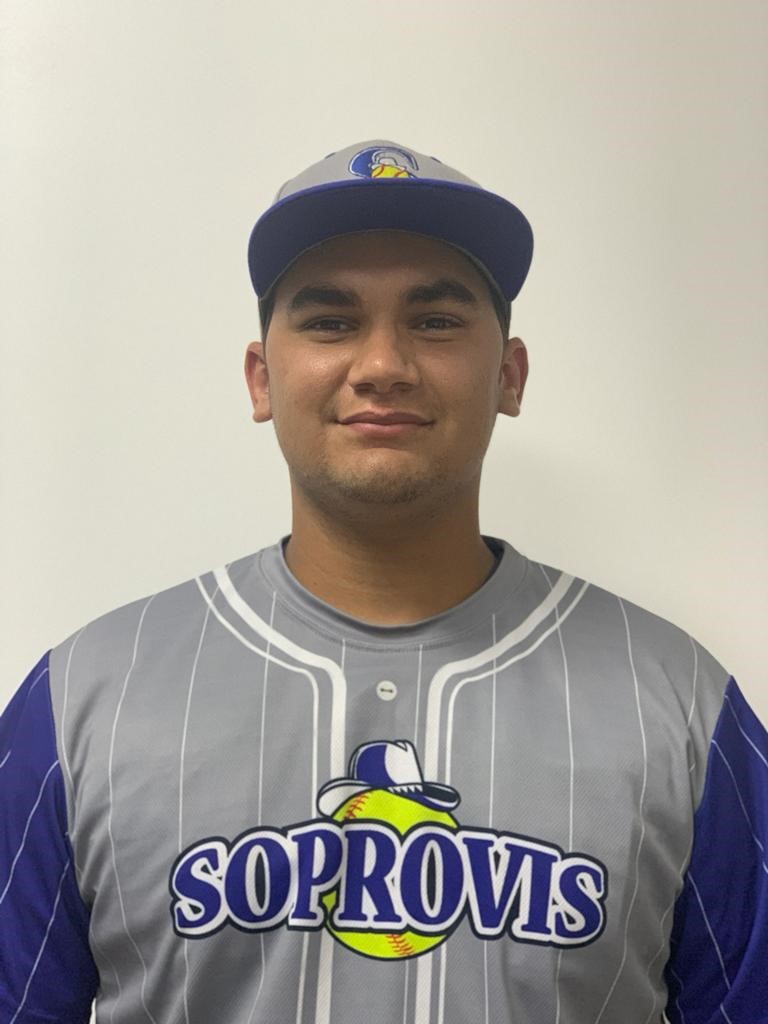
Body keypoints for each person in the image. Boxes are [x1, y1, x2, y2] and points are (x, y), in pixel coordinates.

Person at [1, 139, 765, 1024]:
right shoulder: (84, 698)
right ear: (262, 379)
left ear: (509, 375)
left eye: (435, 321)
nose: (382, 365)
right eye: (330, 322)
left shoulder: (678, 702)